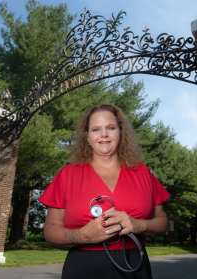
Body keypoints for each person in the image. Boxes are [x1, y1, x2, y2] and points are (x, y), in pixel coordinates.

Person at [39, 103, 170, 279]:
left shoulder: (143, 172)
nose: (104, 135)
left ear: (121, 131)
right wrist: (83, 235)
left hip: (135, 267)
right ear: (87, 136)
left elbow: (162, 223)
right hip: (83, 267)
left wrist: (138, 224)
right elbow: (50, 230)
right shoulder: (67, 174)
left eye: (110, 127)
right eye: (96, 129)